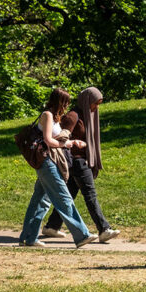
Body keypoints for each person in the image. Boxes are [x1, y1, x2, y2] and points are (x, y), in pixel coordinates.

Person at [19, 88, 98, 248]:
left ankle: (29, 237)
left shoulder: (55, 118)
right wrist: (67, 143)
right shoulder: (47, 115)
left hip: (50, 161)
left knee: (40, 201)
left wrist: (72, 142)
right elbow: (48, 140)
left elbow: (55, 138)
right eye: (66, 102)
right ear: (60, 102)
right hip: (47, 161)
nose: (68, 105)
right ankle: (82, 234)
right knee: (64, 198)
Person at [41, 87, 121, 243]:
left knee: (69, 195)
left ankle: (52, 226)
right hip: (76, 161)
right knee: (90, 194)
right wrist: (72, 143)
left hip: (80, 161)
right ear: (86, 101)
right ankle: (104, 229)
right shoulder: (73, 116)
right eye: (94, 103)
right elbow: (62, 136)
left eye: (98, 104)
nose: (96, 107)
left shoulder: (87, 116)